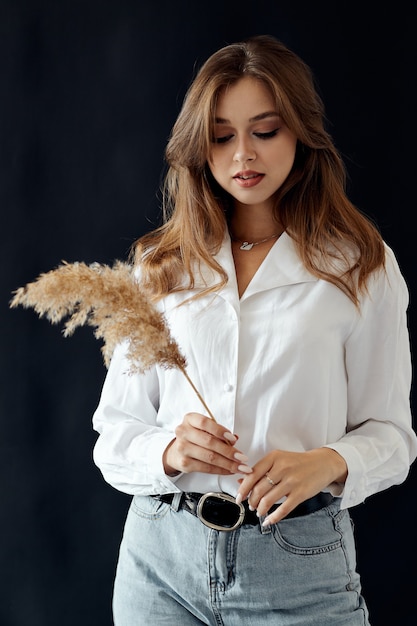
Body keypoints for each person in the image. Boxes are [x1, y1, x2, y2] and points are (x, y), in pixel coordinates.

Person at [92, 35, 417, 625]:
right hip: (159, 562)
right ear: (200, 145)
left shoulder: (361, 265)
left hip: (299, 563)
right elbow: (113, 435)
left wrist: (329, 460)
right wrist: (167, 451)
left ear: (300, 132)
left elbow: (394, 437)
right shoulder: (162, 266)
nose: (243, 154)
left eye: (265, 131)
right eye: (221, 136)